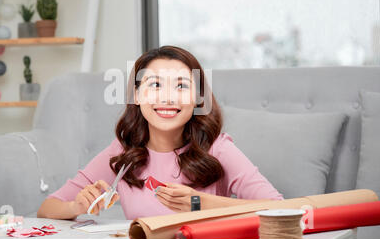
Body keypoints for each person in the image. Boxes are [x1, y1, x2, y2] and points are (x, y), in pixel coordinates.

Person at [37, 46, 283, 220]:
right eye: (154, 85)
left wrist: (200, 204)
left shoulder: (217, 148)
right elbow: (48, 208)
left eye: (181, 86)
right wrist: (78, 206)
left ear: (197, 99)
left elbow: (279, 208)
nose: (167, 97)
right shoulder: (124, 153)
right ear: (136, 95)